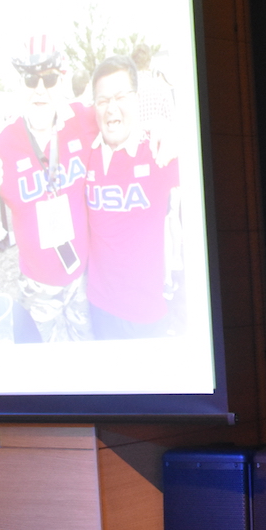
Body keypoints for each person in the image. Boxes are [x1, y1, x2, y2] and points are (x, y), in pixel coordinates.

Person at [0, 35, 96, 341]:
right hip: (38, 287)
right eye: (30, 79)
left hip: (83, 275)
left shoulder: (83, 119)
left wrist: (161, 129)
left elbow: (125, 123)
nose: (39, 89)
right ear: (19, 83)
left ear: (61, 80)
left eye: (48, 79)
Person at [84, 55, 182, 339]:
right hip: (99, 306)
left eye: (120, 97)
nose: (111, 107)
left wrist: (174, 133)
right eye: (103, 100)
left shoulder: (157, 152)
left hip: (146, 313)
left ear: (137, 99)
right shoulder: (85, 153)